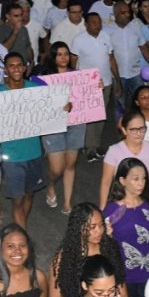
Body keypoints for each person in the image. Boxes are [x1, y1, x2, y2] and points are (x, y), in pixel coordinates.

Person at [0, 53, 49, 228]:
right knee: (17, 201)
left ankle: (21, 226)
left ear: (24, 68)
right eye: (11, 66)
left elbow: (49, 114)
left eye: (19, 65)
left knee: (29, 194)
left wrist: (64, 108)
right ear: (5, 70)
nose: (16, 69)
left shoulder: (35, 90)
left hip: (34, 152)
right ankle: (22, 235)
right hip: (12, 157)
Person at [103, 157, 149, 297]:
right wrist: (107, 235)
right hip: (124, 277)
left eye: (144, 178)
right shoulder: (112, 210)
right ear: (122, 180)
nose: (141, 183)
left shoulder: (147, 204)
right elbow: (102, 243)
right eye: (135, 179)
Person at [36, 42, 88, 214]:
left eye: (66, 54)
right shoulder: (43, 78)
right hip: (52, 125)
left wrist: (96, 86)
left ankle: (67, 202)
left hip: (76, 123)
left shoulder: (78, 75)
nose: (64, 57)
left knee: (70, 164)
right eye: (59, 54)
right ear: (53, 56)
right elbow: (37, 103)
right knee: (57, 168)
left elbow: (87, 96)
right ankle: (50, 185)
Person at [99, 108, 149, 209]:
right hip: (123, 205)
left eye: (142, 129)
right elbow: (106, 182)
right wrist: (102, 208)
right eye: (134, 130)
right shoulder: (114, 151)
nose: (139, 133)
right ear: (124, 130)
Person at [71, 12, 119, 161]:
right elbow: (74, 61)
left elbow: (111, 58)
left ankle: (95, 145)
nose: (97, 25)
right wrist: (76, 82)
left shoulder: (105, 36)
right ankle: (89, 147)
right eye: (93, 22)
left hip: (106, 82)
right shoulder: (79, 40)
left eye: (99, 22)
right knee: (90, 116)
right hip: (88, 85)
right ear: (86, 24)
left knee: (101, 116)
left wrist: (117, 79)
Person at [107, 1, 148, 112]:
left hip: (135, 72)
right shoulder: (106, 31)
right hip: (118, 75)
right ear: (115, 14)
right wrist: (117, 79)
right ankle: (121, 128)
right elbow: (108, 56)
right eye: (123, 13)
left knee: (139, 102)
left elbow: (143, 47)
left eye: (128, 12)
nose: (127, 15)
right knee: (119, 105)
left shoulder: (135, 27)